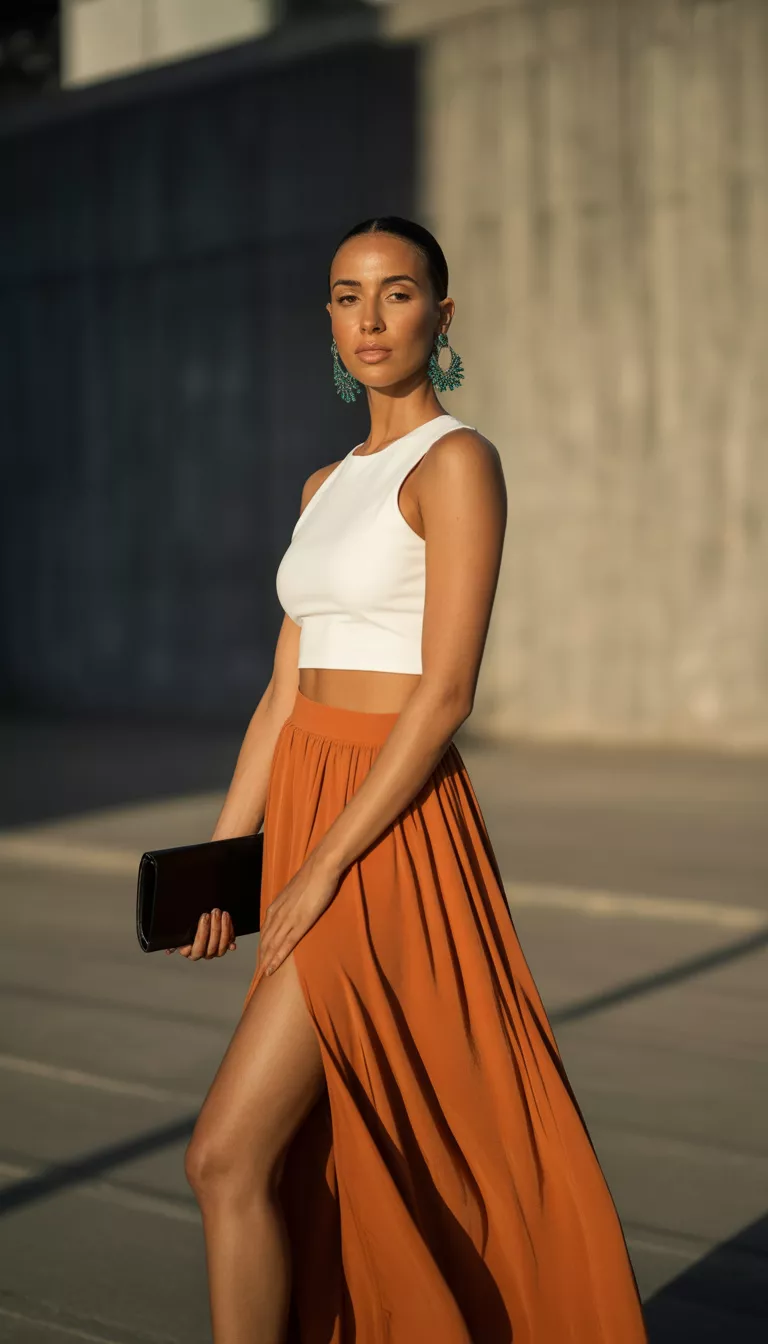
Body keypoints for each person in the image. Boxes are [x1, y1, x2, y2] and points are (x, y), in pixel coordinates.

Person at [172, 216, 648, 1344]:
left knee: (224, 1153)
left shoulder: (459, 462)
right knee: (285, 1153)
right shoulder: (322, 484)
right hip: (303, 802)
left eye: (396, 294)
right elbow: (283, 693)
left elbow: (445, 692)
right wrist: (223, 861)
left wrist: (322, 870)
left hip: (387, 829)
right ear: (328, 322)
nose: (369, 319)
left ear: (443, 314)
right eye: (347, 297)